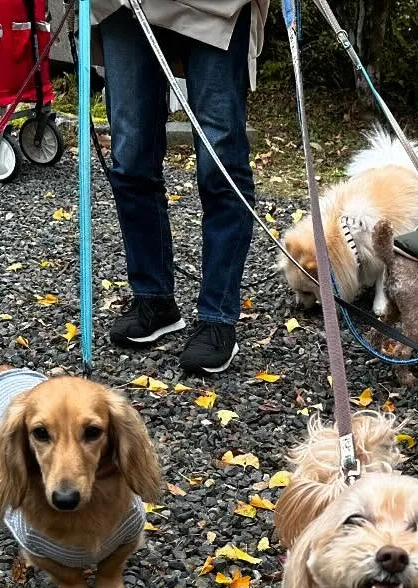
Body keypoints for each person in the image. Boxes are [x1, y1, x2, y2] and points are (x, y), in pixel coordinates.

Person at [89, 0, 268, 375]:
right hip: (122, 6)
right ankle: (154, 301)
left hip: (216, 6)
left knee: (220, 163)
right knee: (131, 156)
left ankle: (218, 317)